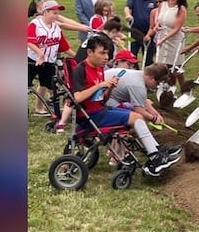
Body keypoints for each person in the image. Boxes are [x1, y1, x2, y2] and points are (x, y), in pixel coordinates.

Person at [70, 35, 181, 176]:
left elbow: (102, 99)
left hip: (101, 109)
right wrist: (100, 85)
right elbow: (77, 97)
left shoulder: (99, 69)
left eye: (107, 53)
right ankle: (155, 156)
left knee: (136, 117)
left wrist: (109, 88)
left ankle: (156, 151)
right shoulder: (81, 69)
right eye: (102, 53)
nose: (106, 57)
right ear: (90, 52)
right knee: (137, 117)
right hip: (90, 115)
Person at [27, 0, 76, 116]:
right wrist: (40, 53)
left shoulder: (56, 28)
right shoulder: (35, 24)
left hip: (49, 62)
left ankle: (44, 110)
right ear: (45, 12)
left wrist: (77, 57)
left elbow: (64, 47)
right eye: (54, 13)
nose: (56, 16)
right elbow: (29, 41)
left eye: (57, 13)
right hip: (31, 60)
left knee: (49, 85)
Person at [155, 0, 188, 88]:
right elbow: (159, 19)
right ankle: (167, 88)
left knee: (175, 67)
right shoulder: (162, 4)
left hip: (174, 40)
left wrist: (164, 39)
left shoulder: (181, 9)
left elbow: (176, 28)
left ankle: (184, 87)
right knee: (162, 65)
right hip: (162, 37)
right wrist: (156, 26)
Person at [124, 0, 157, 67]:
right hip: (134, 31)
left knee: (148, 57)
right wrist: (128, 14)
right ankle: (134, 71)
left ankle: (147, 73)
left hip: (149, 31)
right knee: (132, 54)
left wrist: (150, 33)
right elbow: (128, 7)